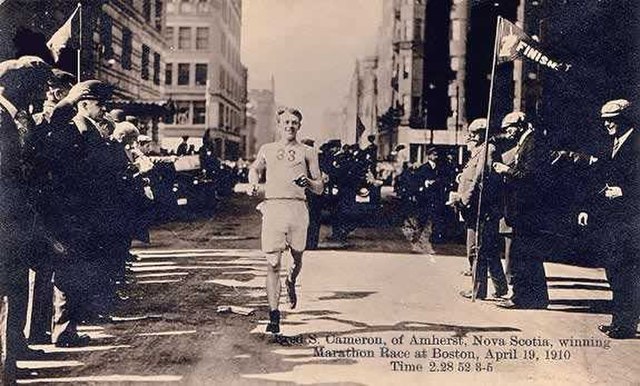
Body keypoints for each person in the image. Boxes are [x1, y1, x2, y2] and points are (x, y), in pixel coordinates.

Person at [0, 56, 53, 381]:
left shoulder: (12, 117)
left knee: (17, 291)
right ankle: (5, 368)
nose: (39, 94)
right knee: (10, 294)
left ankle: (12, 357)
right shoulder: (1, 118)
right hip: (6, 223)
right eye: (34, 87)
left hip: (14, 223)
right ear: (12, 86)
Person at [248, 107, 323, 334]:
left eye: (294, 122)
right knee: (272, 263)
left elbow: (319, 187)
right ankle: (274, 315)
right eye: (286, 122)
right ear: (279, 125)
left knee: (297, 256)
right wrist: (253, 182)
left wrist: (308, 183)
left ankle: (292, 279)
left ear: (299, 126)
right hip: (274, 207)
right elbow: (255, 168)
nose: (290, 126)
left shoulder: (308, 152)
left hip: (297, 209)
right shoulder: (267, 149)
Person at [578, 99, 639, 339]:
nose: (607, 124)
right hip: (610, 220)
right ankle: (620, 320)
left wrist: (625, 191)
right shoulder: (608, 144)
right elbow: (594, 179)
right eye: (605, 120)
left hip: (632, 219)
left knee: (627, 271)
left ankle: (625, 324)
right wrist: (585, 208)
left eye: (612, 119)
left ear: (625, 118)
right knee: (614, 270)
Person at [492, 111, 550, 309]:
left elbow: (529, 175)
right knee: (529, 255)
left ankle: (521, 297)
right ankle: (538, 298)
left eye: (510, 129)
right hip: (524, 210)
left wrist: (505, 170)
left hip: (527, 210)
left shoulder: (532, 143)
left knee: (523, 255)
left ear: (521, 126)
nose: (508, 133)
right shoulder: (526, 142)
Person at [450, 118, 508, 300]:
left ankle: (478, 290)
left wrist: (465, 200)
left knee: (475, 249)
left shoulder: (488, 151)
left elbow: (481, 179)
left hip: (480, 208)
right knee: (488, 249)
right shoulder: (479, 151)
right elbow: (472, 175)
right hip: (476, 207)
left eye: (474, 134)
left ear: (484, 133)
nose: (471, 137)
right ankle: (501, 287)